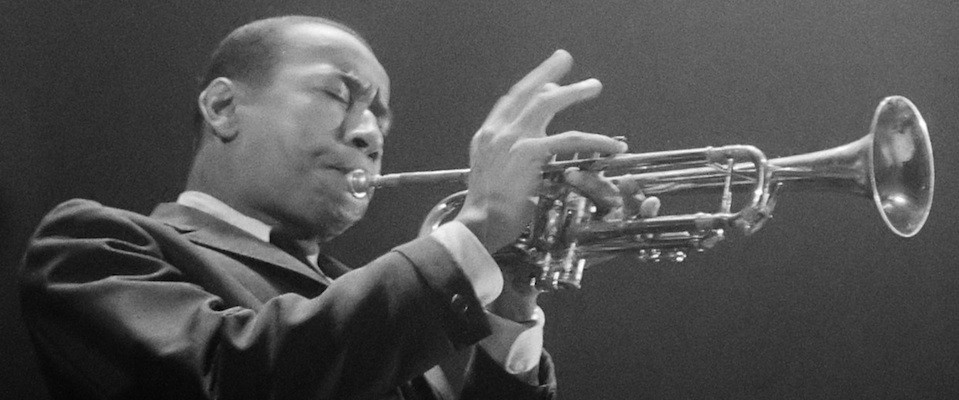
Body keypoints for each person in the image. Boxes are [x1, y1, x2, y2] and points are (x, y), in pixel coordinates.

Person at [19, 15, 653, 400]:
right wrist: (478, 227)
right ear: (223, 107)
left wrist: (509, 298)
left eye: (380, 117)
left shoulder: (383, 306)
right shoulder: (91, 246)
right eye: (337, 95)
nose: (369, 134)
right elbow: (229, 381)